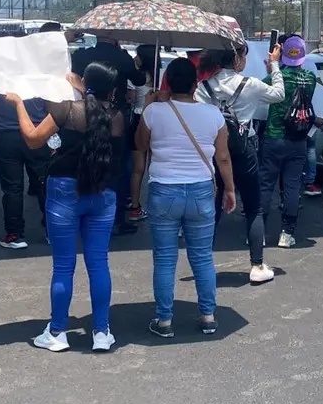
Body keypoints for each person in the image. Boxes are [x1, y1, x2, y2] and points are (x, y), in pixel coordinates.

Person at [10, 63, 123, 352]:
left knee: (63, 265)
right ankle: (101, 331)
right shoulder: (116, 117)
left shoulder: (66, 110)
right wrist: (87, 87)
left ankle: (58, 332)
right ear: (112, 88)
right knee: (98, 263)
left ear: (84, 82)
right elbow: (96, 108)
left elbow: (33, 139)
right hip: (102, 193)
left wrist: (18, 104)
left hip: (64, 191)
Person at [132, 57, 237, 337]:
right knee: (202, 257)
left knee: (165, 259)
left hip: (164, 190)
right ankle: (208, 315)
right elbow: (223, 158)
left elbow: (139, 145)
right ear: (195, 83)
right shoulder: (213, 114)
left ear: (168, 83)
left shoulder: (153, 112)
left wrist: (149, 104)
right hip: (202, 190)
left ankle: (164, 320)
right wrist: (229, 188)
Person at [197, 42, 285, 284]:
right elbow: (279, 94)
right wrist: (274, 65)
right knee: (254, 206)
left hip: (215, 152)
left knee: (212, 209)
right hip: (245, 150)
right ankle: (257, 266)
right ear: (237, 60)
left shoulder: (203, 87)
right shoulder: (251, 85)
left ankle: (204, 265)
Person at [71, 36, 147, 235]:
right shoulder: (121, 57)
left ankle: (84, 209)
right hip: (115, 113)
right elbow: (139, 79)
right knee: (118, 166)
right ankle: (116, 219)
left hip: (84, 111)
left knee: (86, 157)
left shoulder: (82, 55)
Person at [261, 35, 315, 249]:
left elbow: (264, 90)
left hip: (274, 137)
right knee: (292, 185)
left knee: (266, 185)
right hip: (298, 139)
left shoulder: (279, 76)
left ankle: (259, 232)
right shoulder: (310, 78)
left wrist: (272, 66)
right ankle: (287, 233)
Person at [0, 92, 49, 248]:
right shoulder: (38, 70)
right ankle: (53, 230)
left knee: (12, 188)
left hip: (6, 137)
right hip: (38, 132)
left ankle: (15, 235)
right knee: (44, 184)